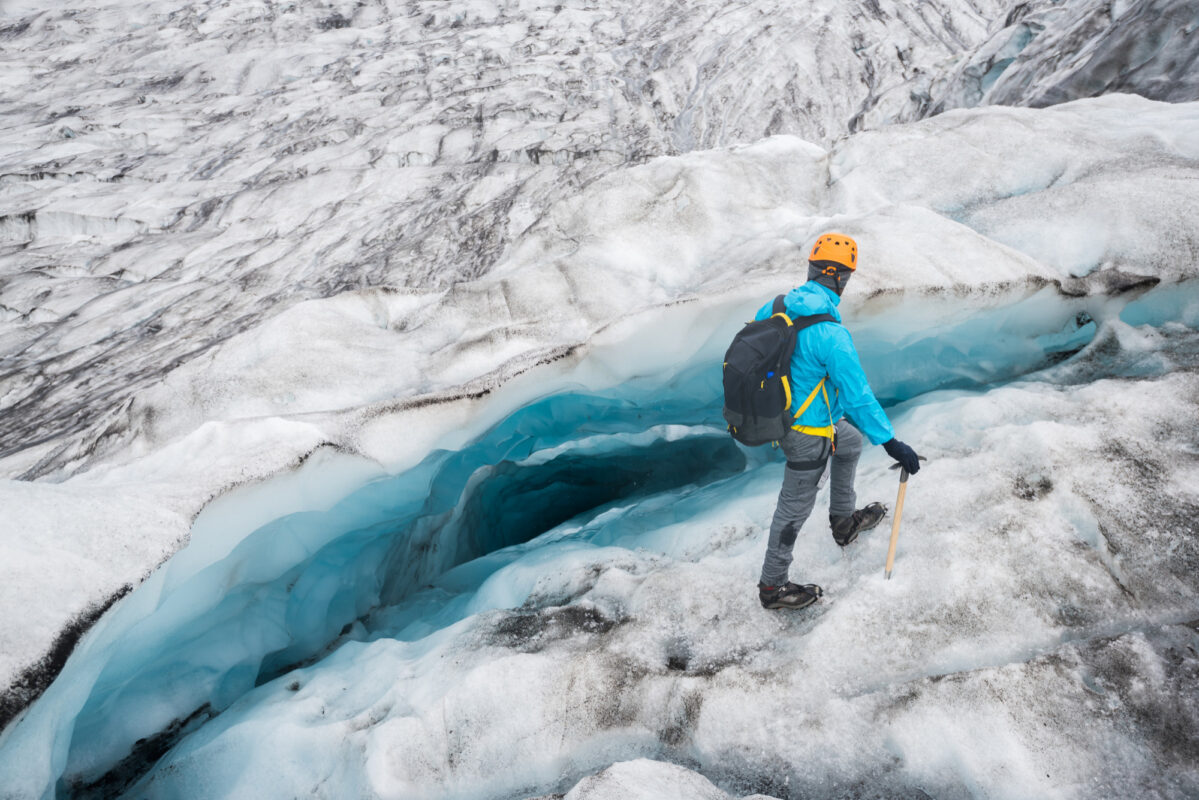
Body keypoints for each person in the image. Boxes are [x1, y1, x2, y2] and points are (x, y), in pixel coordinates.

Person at [756, 233, 921, 610]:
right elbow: (858, 395)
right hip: (806, 433)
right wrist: (891, 442)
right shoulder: (832, 335)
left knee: (847, 440)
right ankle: (772, 587)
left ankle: (844, 521)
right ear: (842, 280)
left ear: (812, 270)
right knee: (794, 508)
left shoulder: (776, 305)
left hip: (780, 417)